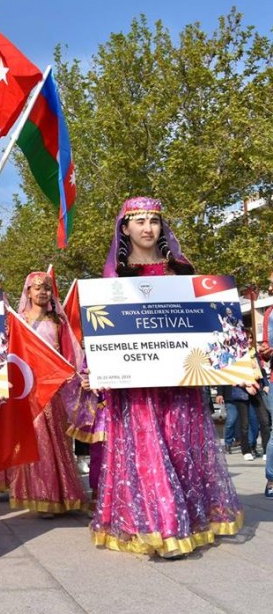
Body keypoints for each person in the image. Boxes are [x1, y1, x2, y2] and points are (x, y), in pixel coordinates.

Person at [90, 197, 243, 558]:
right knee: (146, 447)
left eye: (154, 221)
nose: (147, 228)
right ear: (124, 228)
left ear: (162, 227)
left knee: (178, 447)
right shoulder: (114, 278)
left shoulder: (181, 271)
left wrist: (235, 366)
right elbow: (105, 332)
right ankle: (163, 525)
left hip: (177, 382)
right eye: (139, 221)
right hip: (136, 385)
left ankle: (185, 517)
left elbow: (204, 325)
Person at [6, 272, 88, 517]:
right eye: (37, 288)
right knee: (37, 441)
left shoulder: (58, 323)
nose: (42, 292)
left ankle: (64, 495)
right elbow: (11, 353)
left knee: (59, 441)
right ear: (28, 291)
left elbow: (70, 356)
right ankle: (42, 495)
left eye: (47, 288)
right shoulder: (18, 322)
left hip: (55, 390)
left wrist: (77, 377)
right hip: (30, 390)